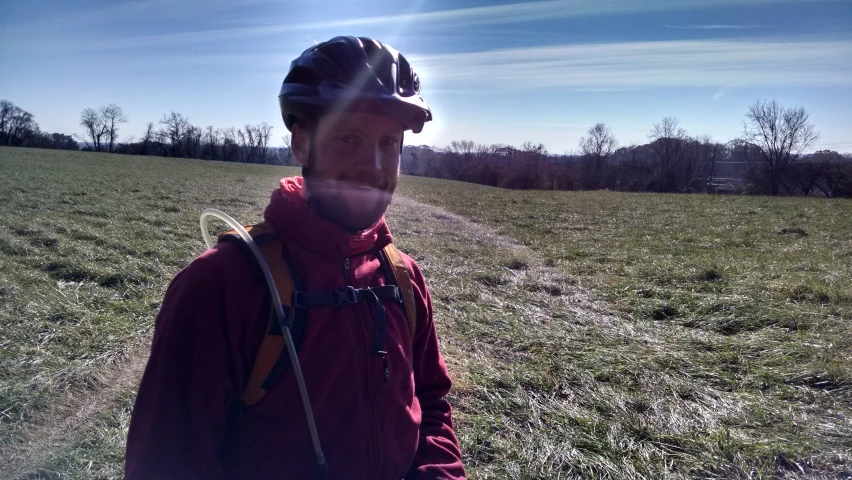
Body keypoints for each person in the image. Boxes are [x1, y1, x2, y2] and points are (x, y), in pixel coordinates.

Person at [124, 36, 466, 479]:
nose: (374, 165)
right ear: (301, 143)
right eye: (349, 138)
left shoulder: (402, 277)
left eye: (388, 143)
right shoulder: (220, 284)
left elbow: (432, 402)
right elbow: (167, 462)